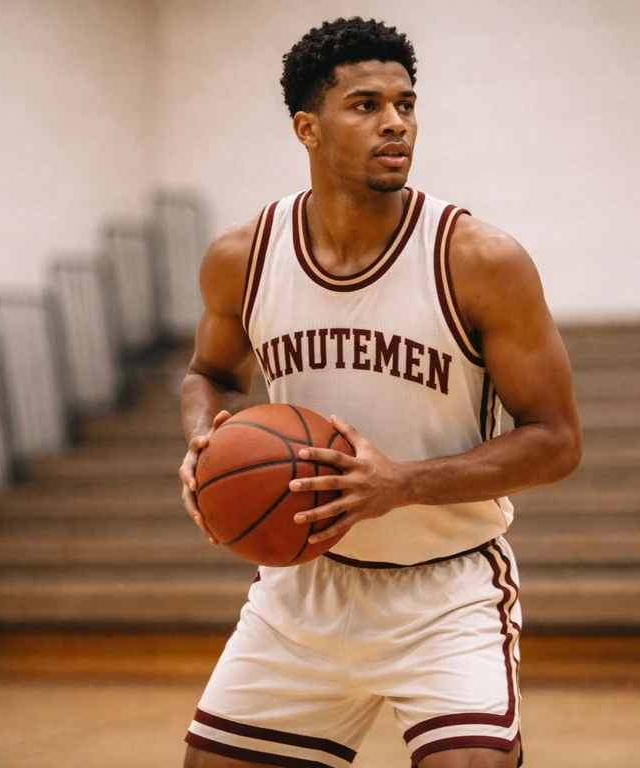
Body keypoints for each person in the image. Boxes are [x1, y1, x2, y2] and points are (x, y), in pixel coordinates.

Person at [178, 17, 581, 768]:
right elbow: (209, 374)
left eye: (406, 103)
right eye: (366, 105)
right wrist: (204, 441)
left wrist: (402, 484)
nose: (396, 122)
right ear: (307, 127)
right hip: (301, 593)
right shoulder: (243, 257)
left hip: (445, 595)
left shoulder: (479, 259)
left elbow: (557, 441)